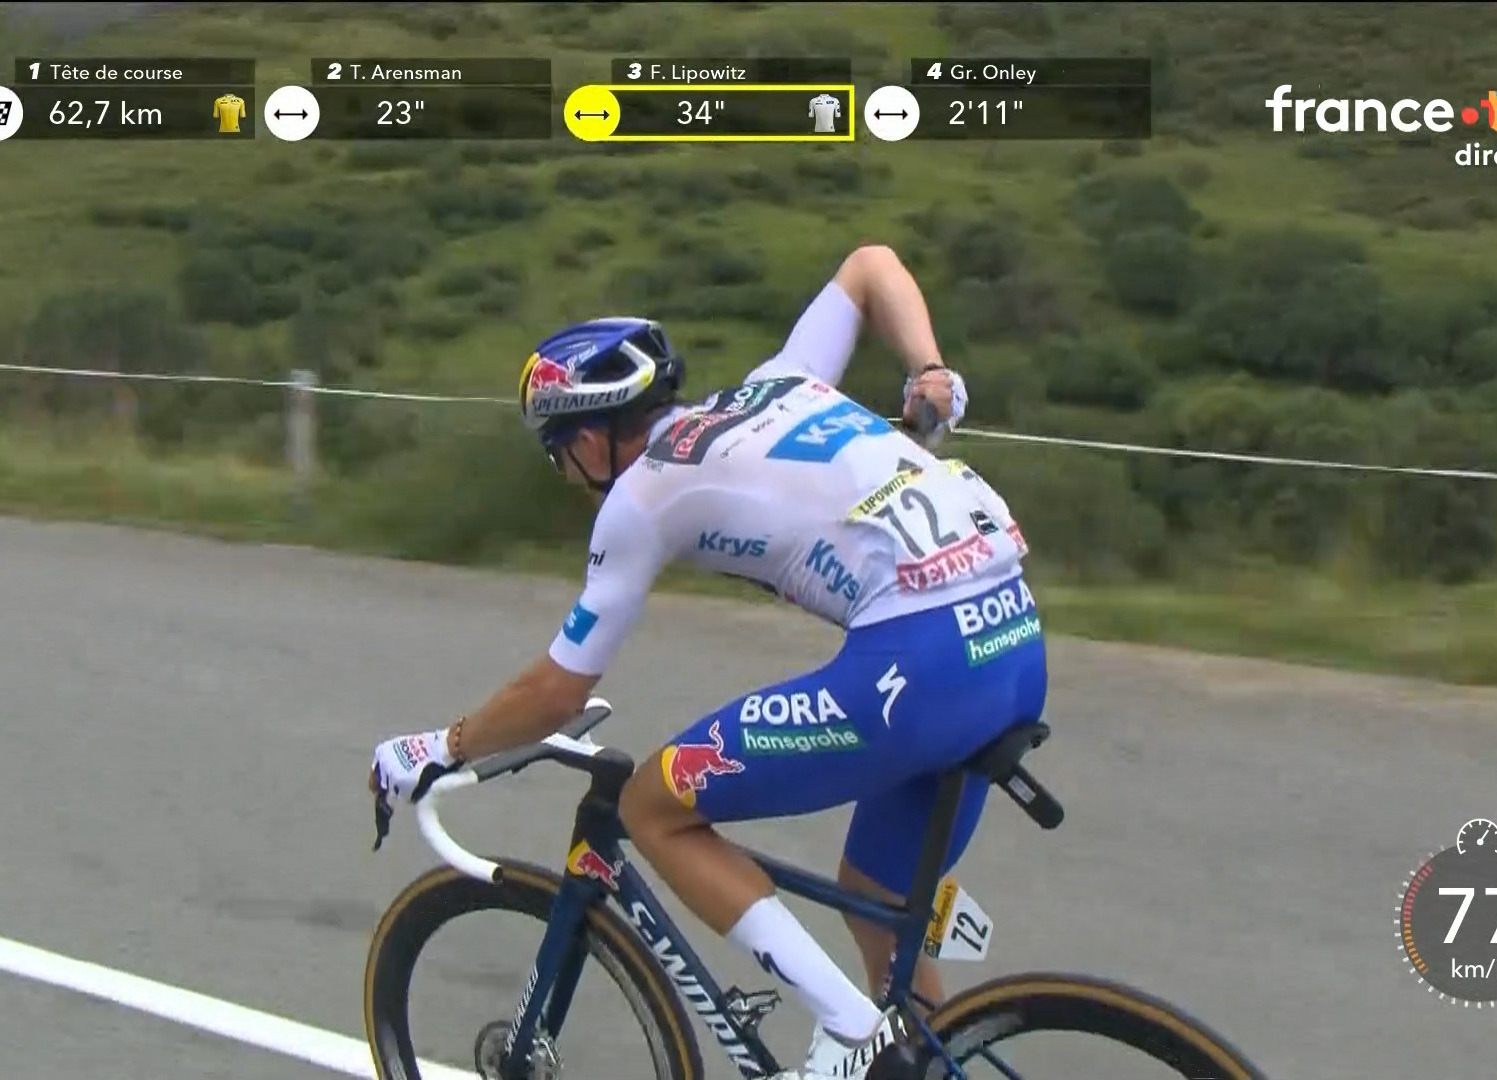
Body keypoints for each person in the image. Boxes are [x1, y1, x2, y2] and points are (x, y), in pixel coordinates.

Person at [371, 244, 1049, 1080]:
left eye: (559, 449)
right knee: (876, 894)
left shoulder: (643, 495)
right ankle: (926, 1060)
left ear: (591, 437)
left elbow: (557, 689)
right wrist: (930, 370)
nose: (564, 472)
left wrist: (438, 748)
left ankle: (851, 1031)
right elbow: (871, 265)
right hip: (1014, 643)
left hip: (923, 666)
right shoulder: (780, 381)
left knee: (653, 805)